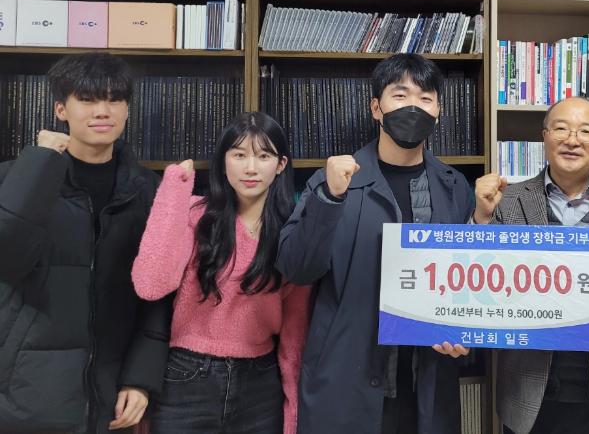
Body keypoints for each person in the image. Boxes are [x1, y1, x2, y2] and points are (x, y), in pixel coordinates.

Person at [276, 53, 474, 434]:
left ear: (438, 112)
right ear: (375, 108)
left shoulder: (454, 186)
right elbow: (296, 267)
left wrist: (465, 334)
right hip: (346, 383)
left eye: (426, 98)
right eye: (400, 95)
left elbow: (465, 283)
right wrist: (330, 198)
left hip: (425, 384)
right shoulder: (335, 180)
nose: (413, 106)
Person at [0, 51, 170, 433]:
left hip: (113, 391)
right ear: (61, 109)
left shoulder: (147, 189)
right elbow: (7, 257)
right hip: (29, 391)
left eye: (114, 99)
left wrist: (141, 378)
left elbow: (158, 293)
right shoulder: (17, 179)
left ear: (127, 109)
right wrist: (41, 162)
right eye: (88, 99)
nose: (102, 111)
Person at [473, 95, 589, 434]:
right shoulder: (509, 201)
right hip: (528, 393)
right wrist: (480, 219)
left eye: (586, 131)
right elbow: (482, 278)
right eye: (561, 128)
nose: (572, 140)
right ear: (544, 137)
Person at [132, 111, 309, 434]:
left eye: (263, 156)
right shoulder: (195, 215)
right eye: (239, 155)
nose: (251, 168)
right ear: (223, 162)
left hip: (260, 382)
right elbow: (151, 283)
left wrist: (293, 410)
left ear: (281, 164)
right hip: (187, 375)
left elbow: (295, 330)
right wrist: (173, 189)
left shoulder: (293, 231)